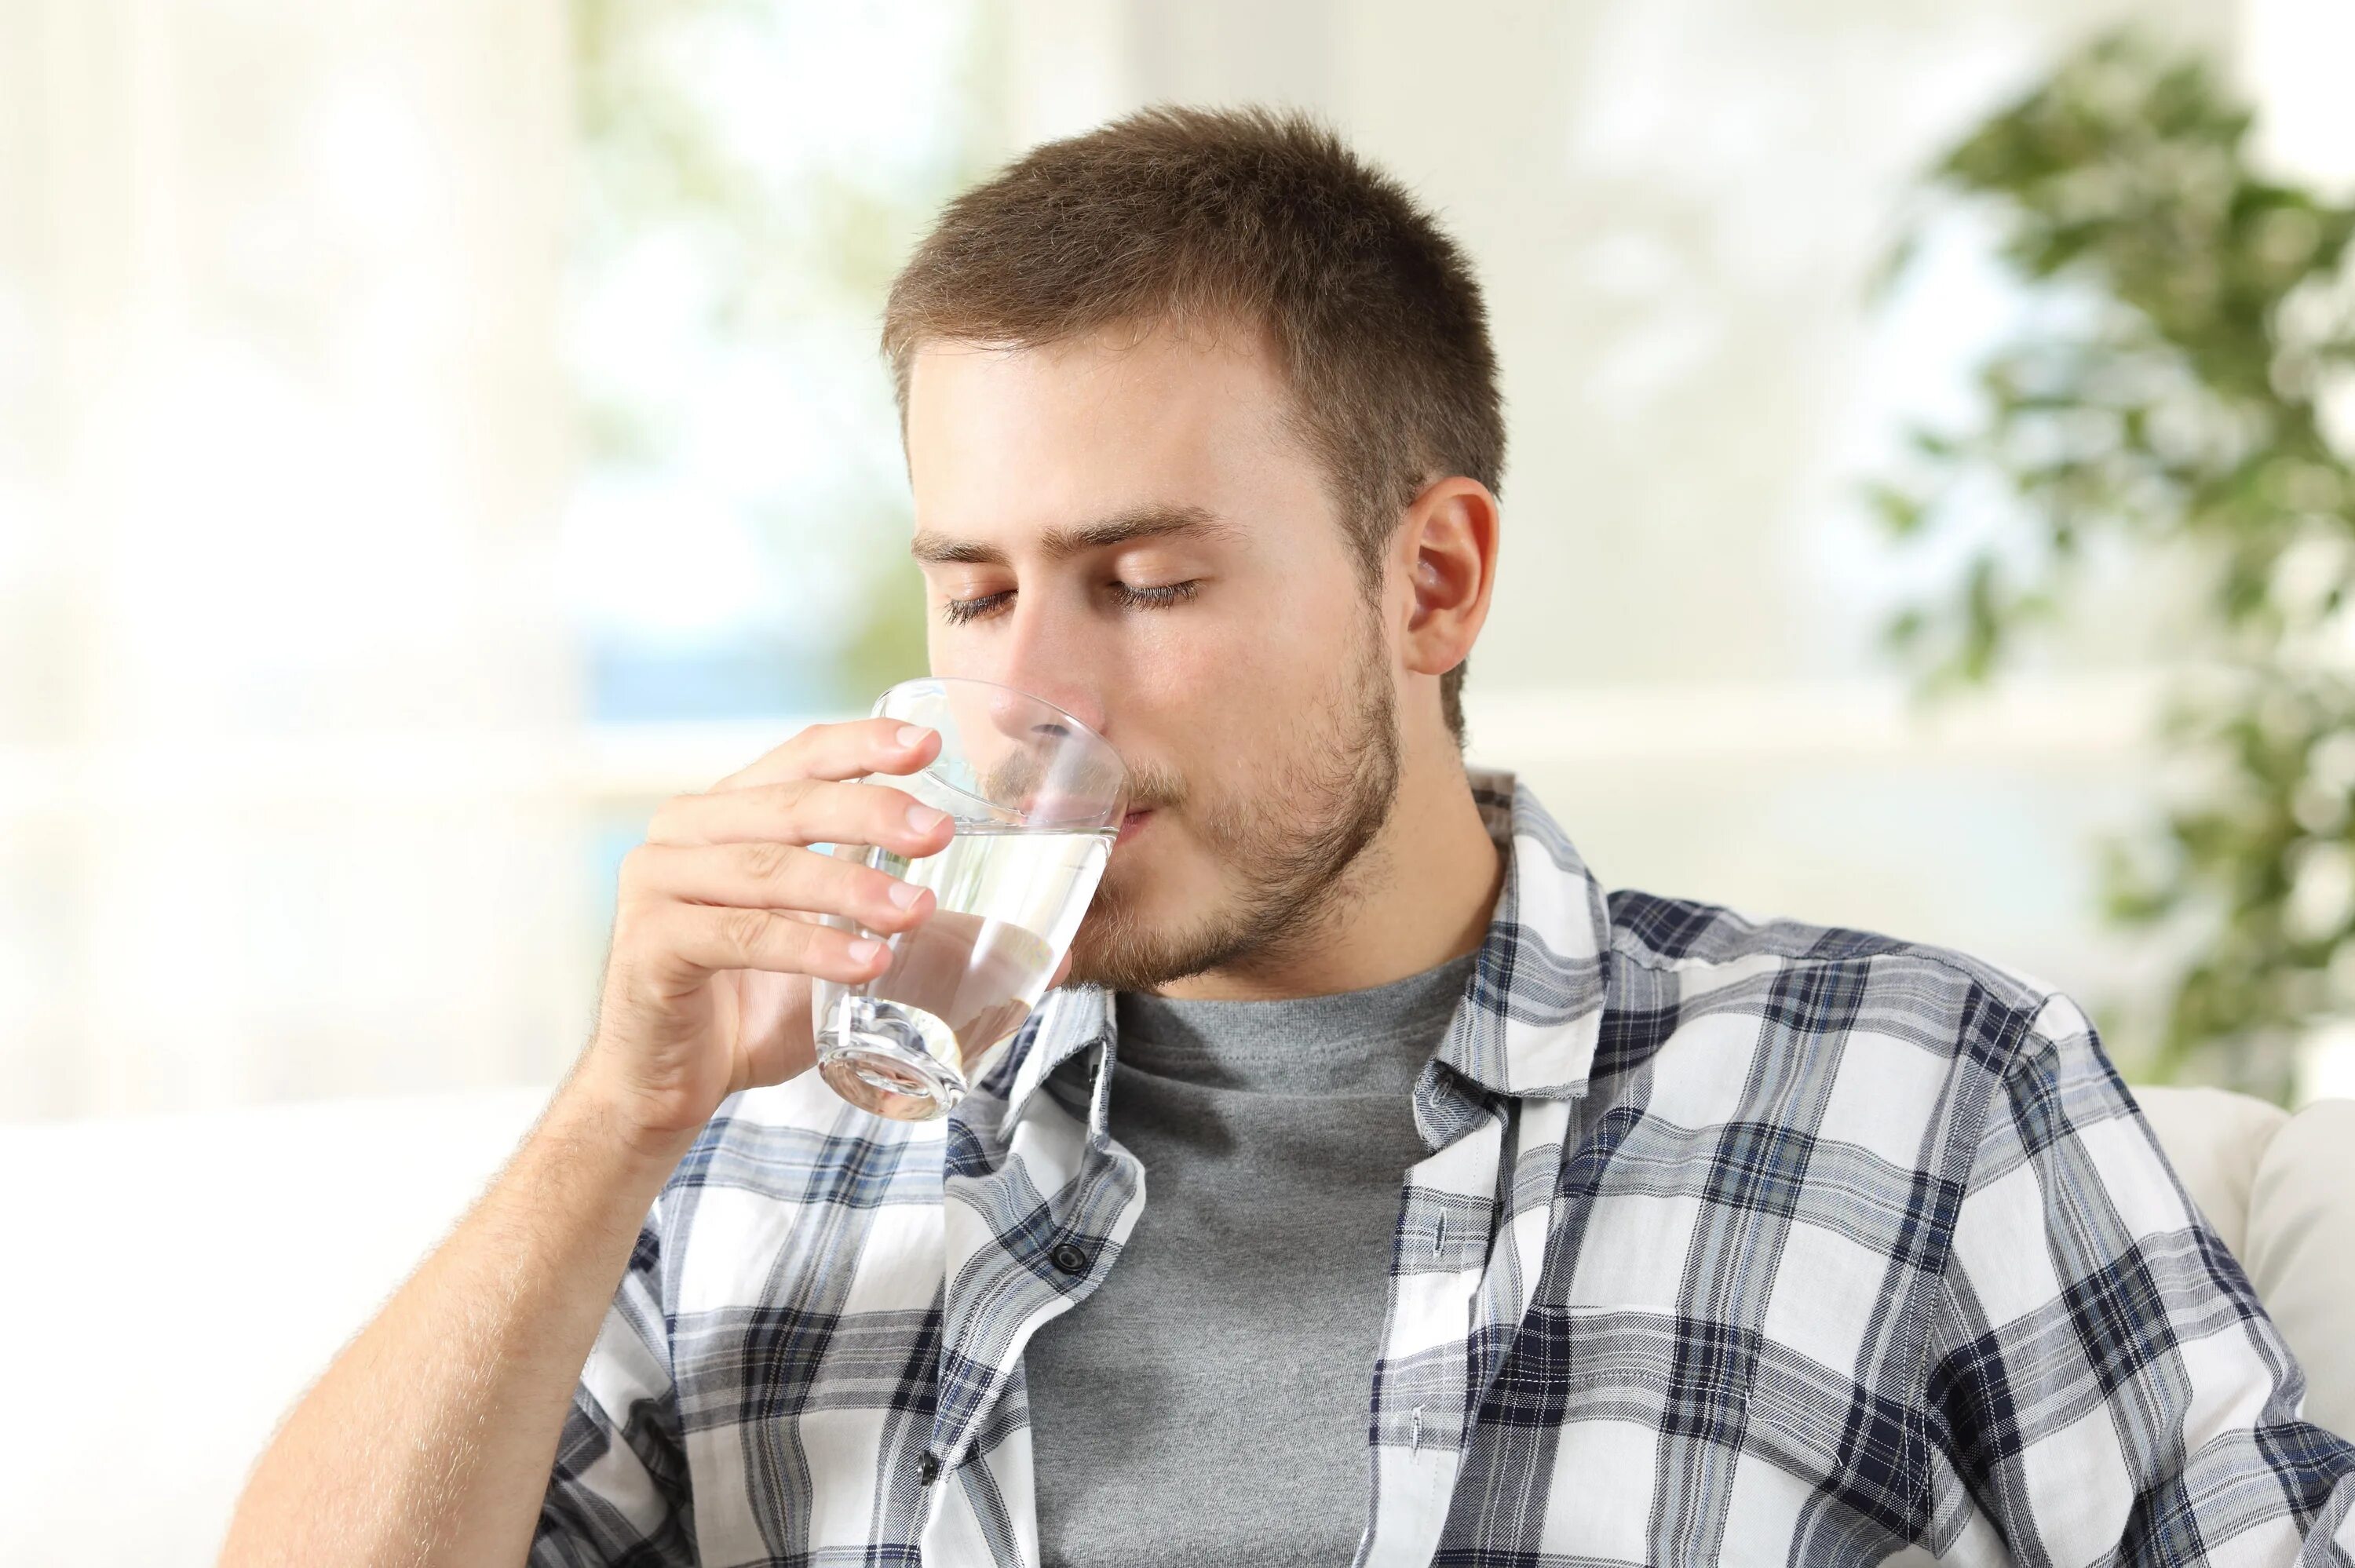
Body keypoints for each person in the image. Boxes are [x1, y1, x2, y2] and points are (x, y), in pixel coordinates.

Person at [220, 106, 2353, 1568]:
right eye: (972, 588)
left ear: (1431, 584)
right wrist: (622, 1106)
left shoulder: (1920, 1097)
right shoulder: (769, 1151)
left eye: (1145, 581)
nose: (1033, 687)